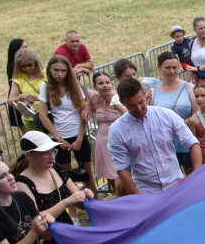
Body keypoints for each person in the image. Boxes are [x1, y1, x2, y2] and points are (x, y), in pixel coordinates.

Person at [13, 131, 90, 244]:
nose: (51, 156)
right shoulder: (22, 183)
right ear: (29, 155)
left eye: (53, 151)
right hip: (47, 241)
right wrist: (67, 202)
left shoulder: (57, 170)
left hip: (68, 235)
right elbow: (38, 219)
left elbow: (79, 199)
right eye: (45, 152)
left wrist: (86, 197)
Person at [108, 78, 202, 195]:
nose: (138, 108)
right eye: (132, 106)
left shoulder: (166, 115)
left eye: (141, 102)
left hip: (175, 185)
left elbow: (193, 143)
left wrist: (197, 174)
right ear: (123, 102)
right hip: (145, 191)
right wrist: (139, 197)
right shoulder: (117, 130)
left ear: (145, 94)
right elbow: (121, 168)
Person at [36, 55, 94, 195]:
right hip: (59, 137)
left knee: (88, 175)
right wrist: (59, 139)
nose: (60, 74)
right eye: (56, 70)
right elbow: (43, 115)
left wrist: (79, 139)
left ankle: (96, 207)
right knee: (64, 177)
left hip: (77, 134)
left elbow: (83, 112)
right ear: (50, 70)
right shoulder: (46, 86)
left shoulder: (74, 85)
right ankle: (73, 213)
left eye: (63, 70)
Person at [87, 70, 126, 195]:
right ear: (95, 87)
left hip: (118, 141)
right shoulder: (94, 100)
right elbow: (84, 109)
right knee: (111, 178)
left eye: (107, 82)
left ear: (112, 84)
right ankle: (119, 204)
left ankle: (121, 201)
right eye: (100, 83)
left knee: (120, 180)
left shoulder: (118, 97)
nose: (105, 85)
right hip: (102, 142)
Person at [8, 48, 45, 132]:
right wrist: (22, 97)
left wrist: (42, 97)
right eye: (23, 66)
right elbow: (10, 101)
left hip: (48, 115)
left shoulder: (46, 74)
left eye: (30, 65)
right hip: (31, 119)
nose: (27, 68)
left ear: (35, 62)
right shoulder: (18, 79)